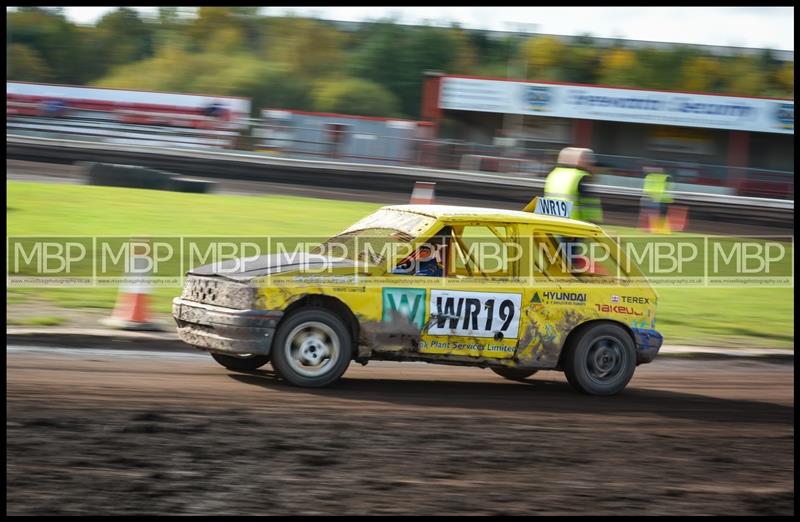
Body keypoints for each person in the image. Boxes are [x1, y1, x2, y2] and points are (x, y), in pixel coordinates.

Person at [543, 147, 603, 223]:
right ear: (582, 161)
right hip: (573, 225)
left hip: (550, 222)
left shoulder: (553, 174)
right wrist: (594, 222)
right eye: (590, 161)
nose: (592, 164)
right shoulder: (581, 176)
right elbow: (588, 205)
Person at [641, 167, 674, 232]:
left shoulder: (665, 177)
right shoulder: (666, 177)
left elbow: (669, 188)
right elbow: (670, 188)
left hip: (658, 198)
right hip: (658, 198)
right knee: (659, 215)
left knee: (657, 214)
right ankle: (658, 229)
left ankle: (658, 229)